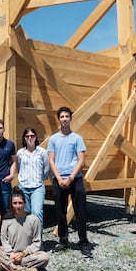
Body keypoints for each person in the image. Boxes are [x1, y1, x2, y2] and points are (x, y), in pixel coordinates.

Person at [47, 106, 92, 257]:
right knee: (60, 211)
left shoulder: (77, 138)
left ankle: (83, 242)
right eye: (62, 117)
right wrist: (59, 178)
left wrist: (71, 178)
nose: (64, 119)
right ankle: (63, 240)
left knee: (81, 211)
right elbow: (51, 161)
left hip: (75, 179)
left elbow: (81, 161)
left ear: (70, 119)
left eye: (67, 116)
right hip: (59, 179)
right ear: (58, 119)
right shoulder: (53, 139)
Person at [0, 187, 50, 271]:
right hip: (10, 254)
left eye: (20, 203)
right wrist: (11, 254)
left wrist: (23, 253)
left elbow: (37, 242)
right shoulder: (7, 219)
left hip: (26, 255)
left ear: (25, 203)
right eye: (15, 203)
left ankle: (7, 266)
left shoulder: (33, 219)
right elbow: (4, 239)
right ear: (11, 204)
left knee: (44, 257)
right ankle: (23, 270)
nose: (17, 206)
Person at [17, 127, 50, 228]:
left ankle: (37, 241)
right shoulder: (20, 153)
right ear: (24, 138)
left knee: (36, 212)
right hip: (23, 186)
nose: (30, 138)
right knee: (24, 213)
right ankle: (26, 238)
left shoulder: (42, 152)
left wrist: (41, 178)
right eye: (27, 136)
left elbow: (47, 168)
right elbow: (19, 168)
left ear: (36, 137)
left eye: (32, 136)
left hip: (37, 187)